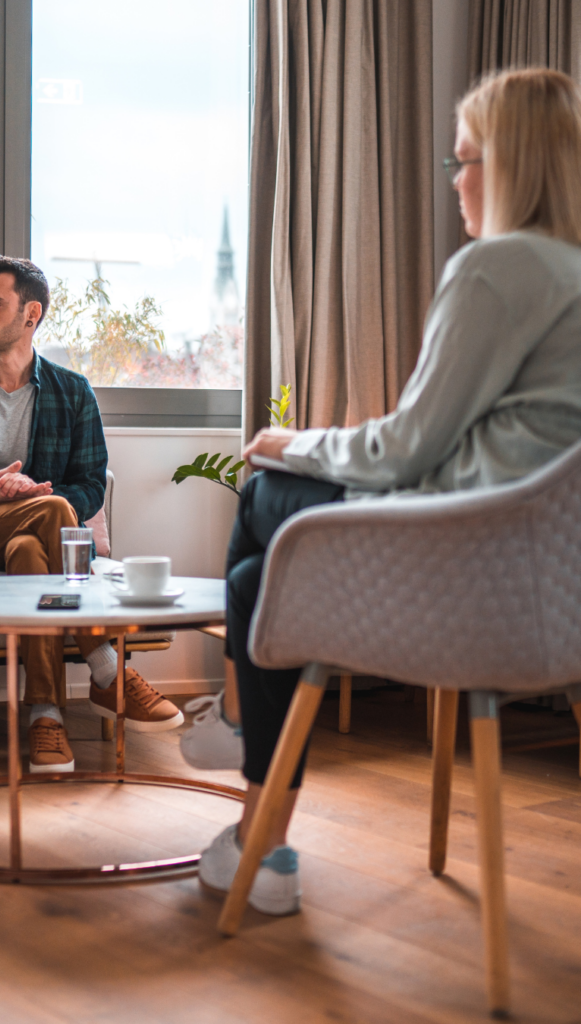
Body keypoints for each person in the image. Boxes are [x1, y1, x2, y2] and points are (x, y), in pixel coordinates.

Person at [198, 67, 581, 915]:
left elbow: (408, 448)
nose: (454, 184)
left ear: (510, 165)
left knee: (262, 499)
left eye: (465, 161)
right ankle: (265, 841)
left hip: (462, 568)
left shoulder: (496, 268)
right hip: (554, 596)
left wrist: (295, 440)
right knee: (258, 583)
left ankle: (243, 756)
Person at [0, 255, 182, 773]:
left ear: (30, 314)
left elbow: (90, 487)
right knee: (51, 508)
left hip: (33, 543)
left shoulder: (72, 390)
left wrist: (37, 503)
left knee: (31, 547)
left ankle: (47, 717)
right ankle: (106, 668)